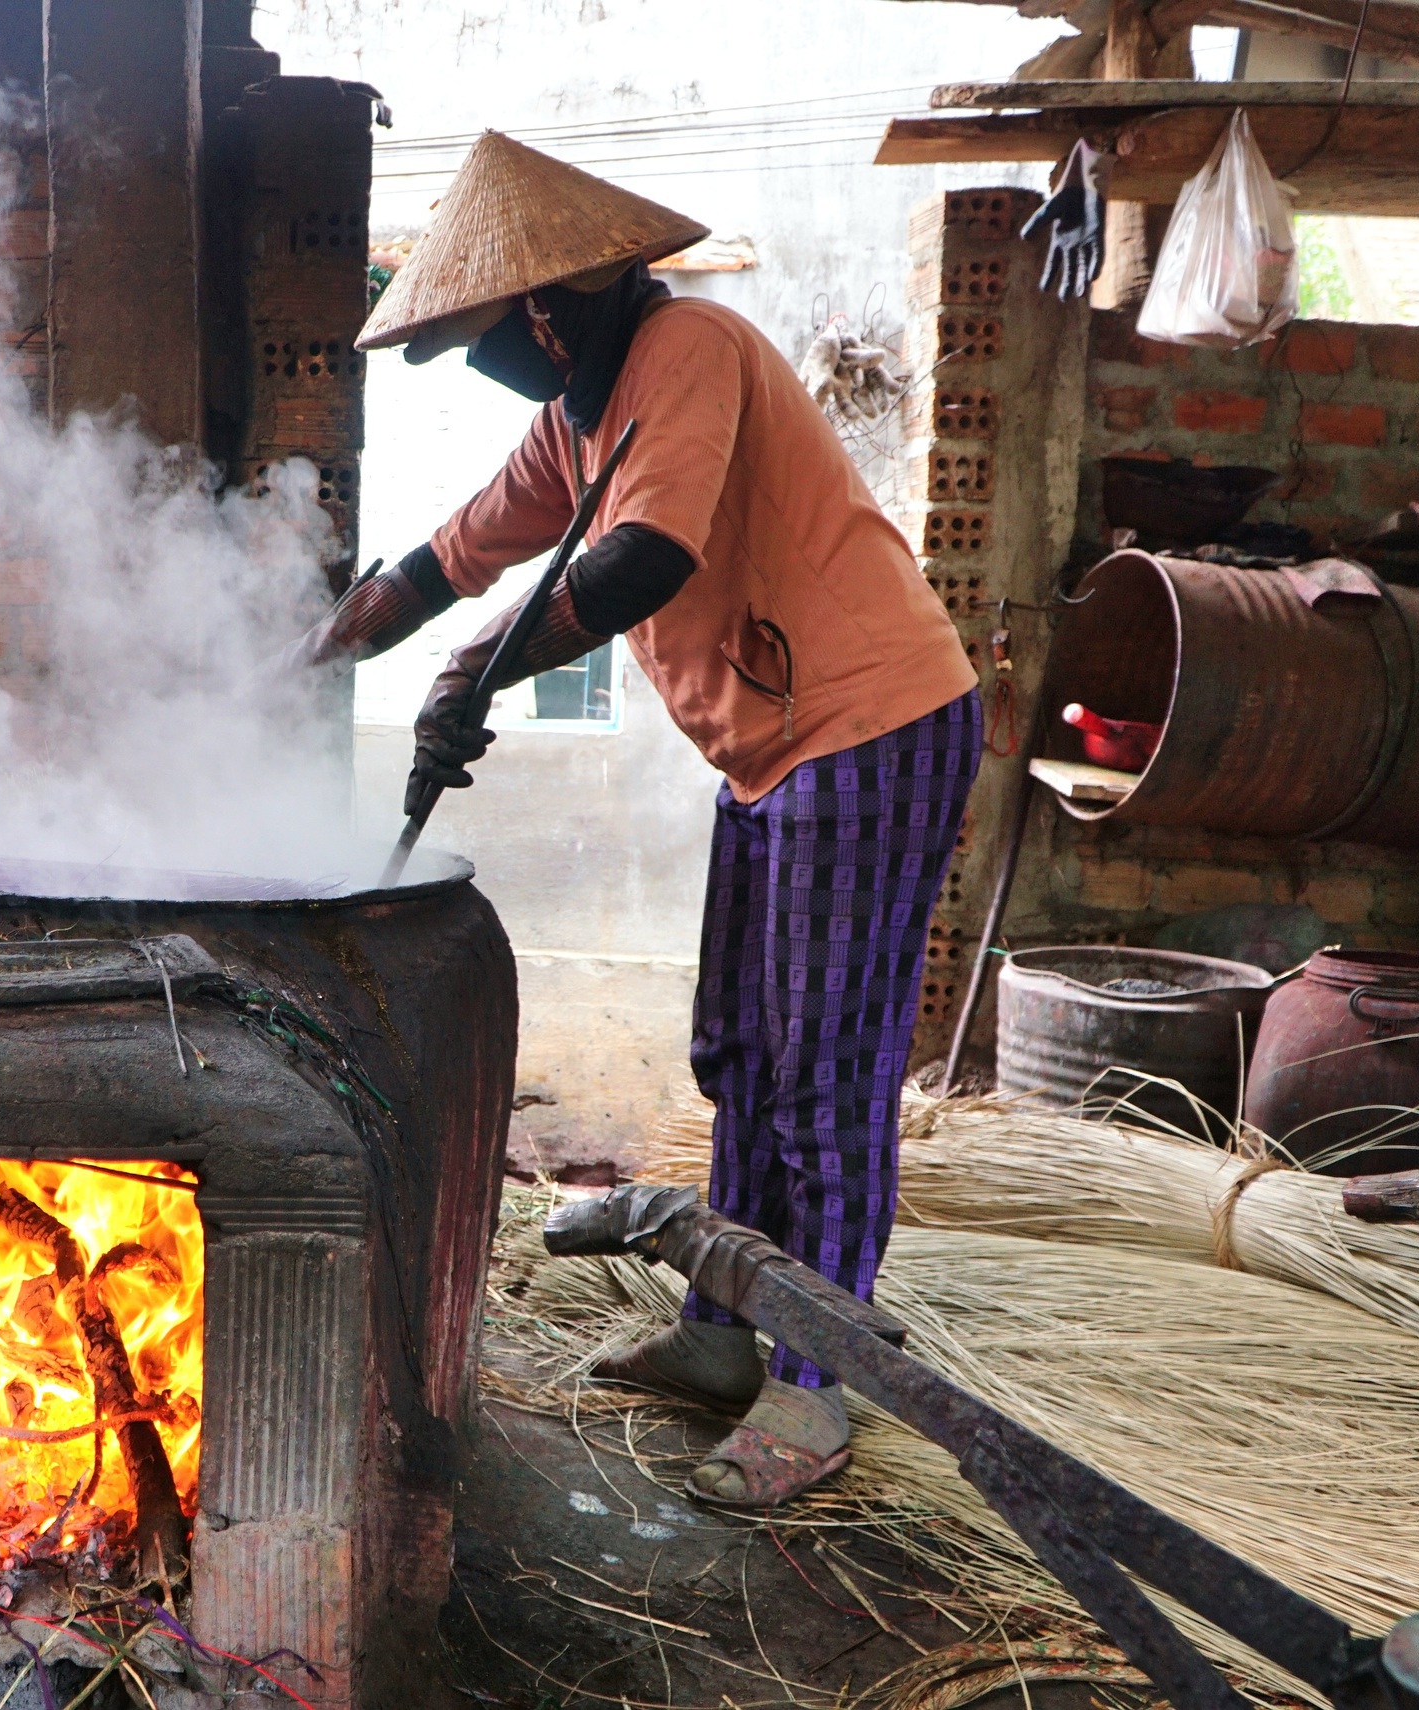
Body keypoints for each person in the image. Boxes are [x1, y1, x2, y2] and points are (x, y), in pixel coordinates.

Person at [296, 132, 981, 1509]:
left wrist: (474, 669)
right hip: (775, 755)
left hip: (871, 726)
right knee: (744, 1055)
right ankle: (723, 1333)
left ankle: (815, 1380)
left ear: (557, 306)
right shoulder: (579, 417)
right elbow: (455, 551)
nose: (497, 360)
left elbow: (639, 563)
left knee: (825, 1075)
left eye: (493, 336)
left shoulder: (689, 350)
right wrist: (321, 648)